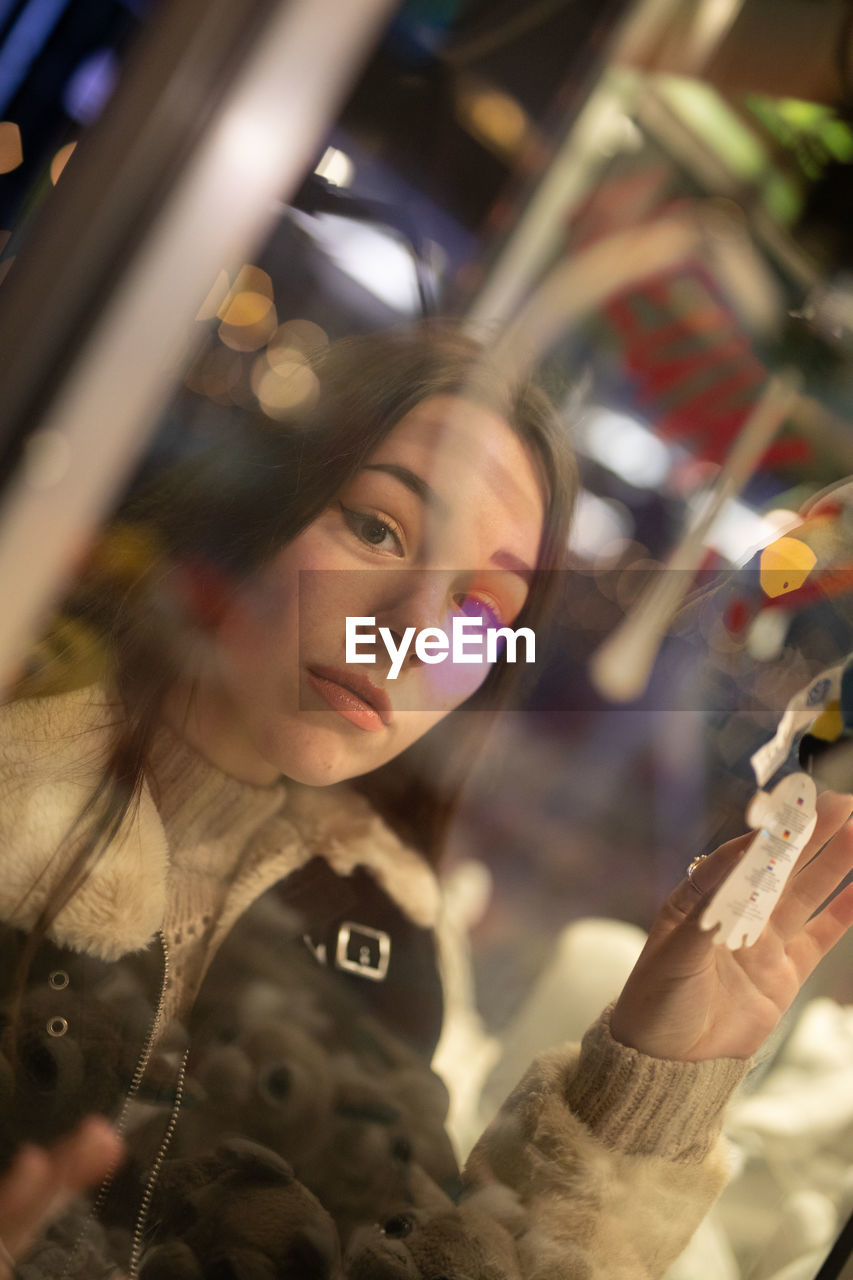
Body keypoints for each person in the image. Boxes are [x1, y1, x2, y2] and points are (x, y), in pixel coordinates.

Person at [0, 323, 851, 1280]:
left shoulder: (388, 928)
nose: (409, 633)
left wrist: (647, 1086)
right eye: (376, 528)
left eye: (480, 610)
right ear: (249, 505)